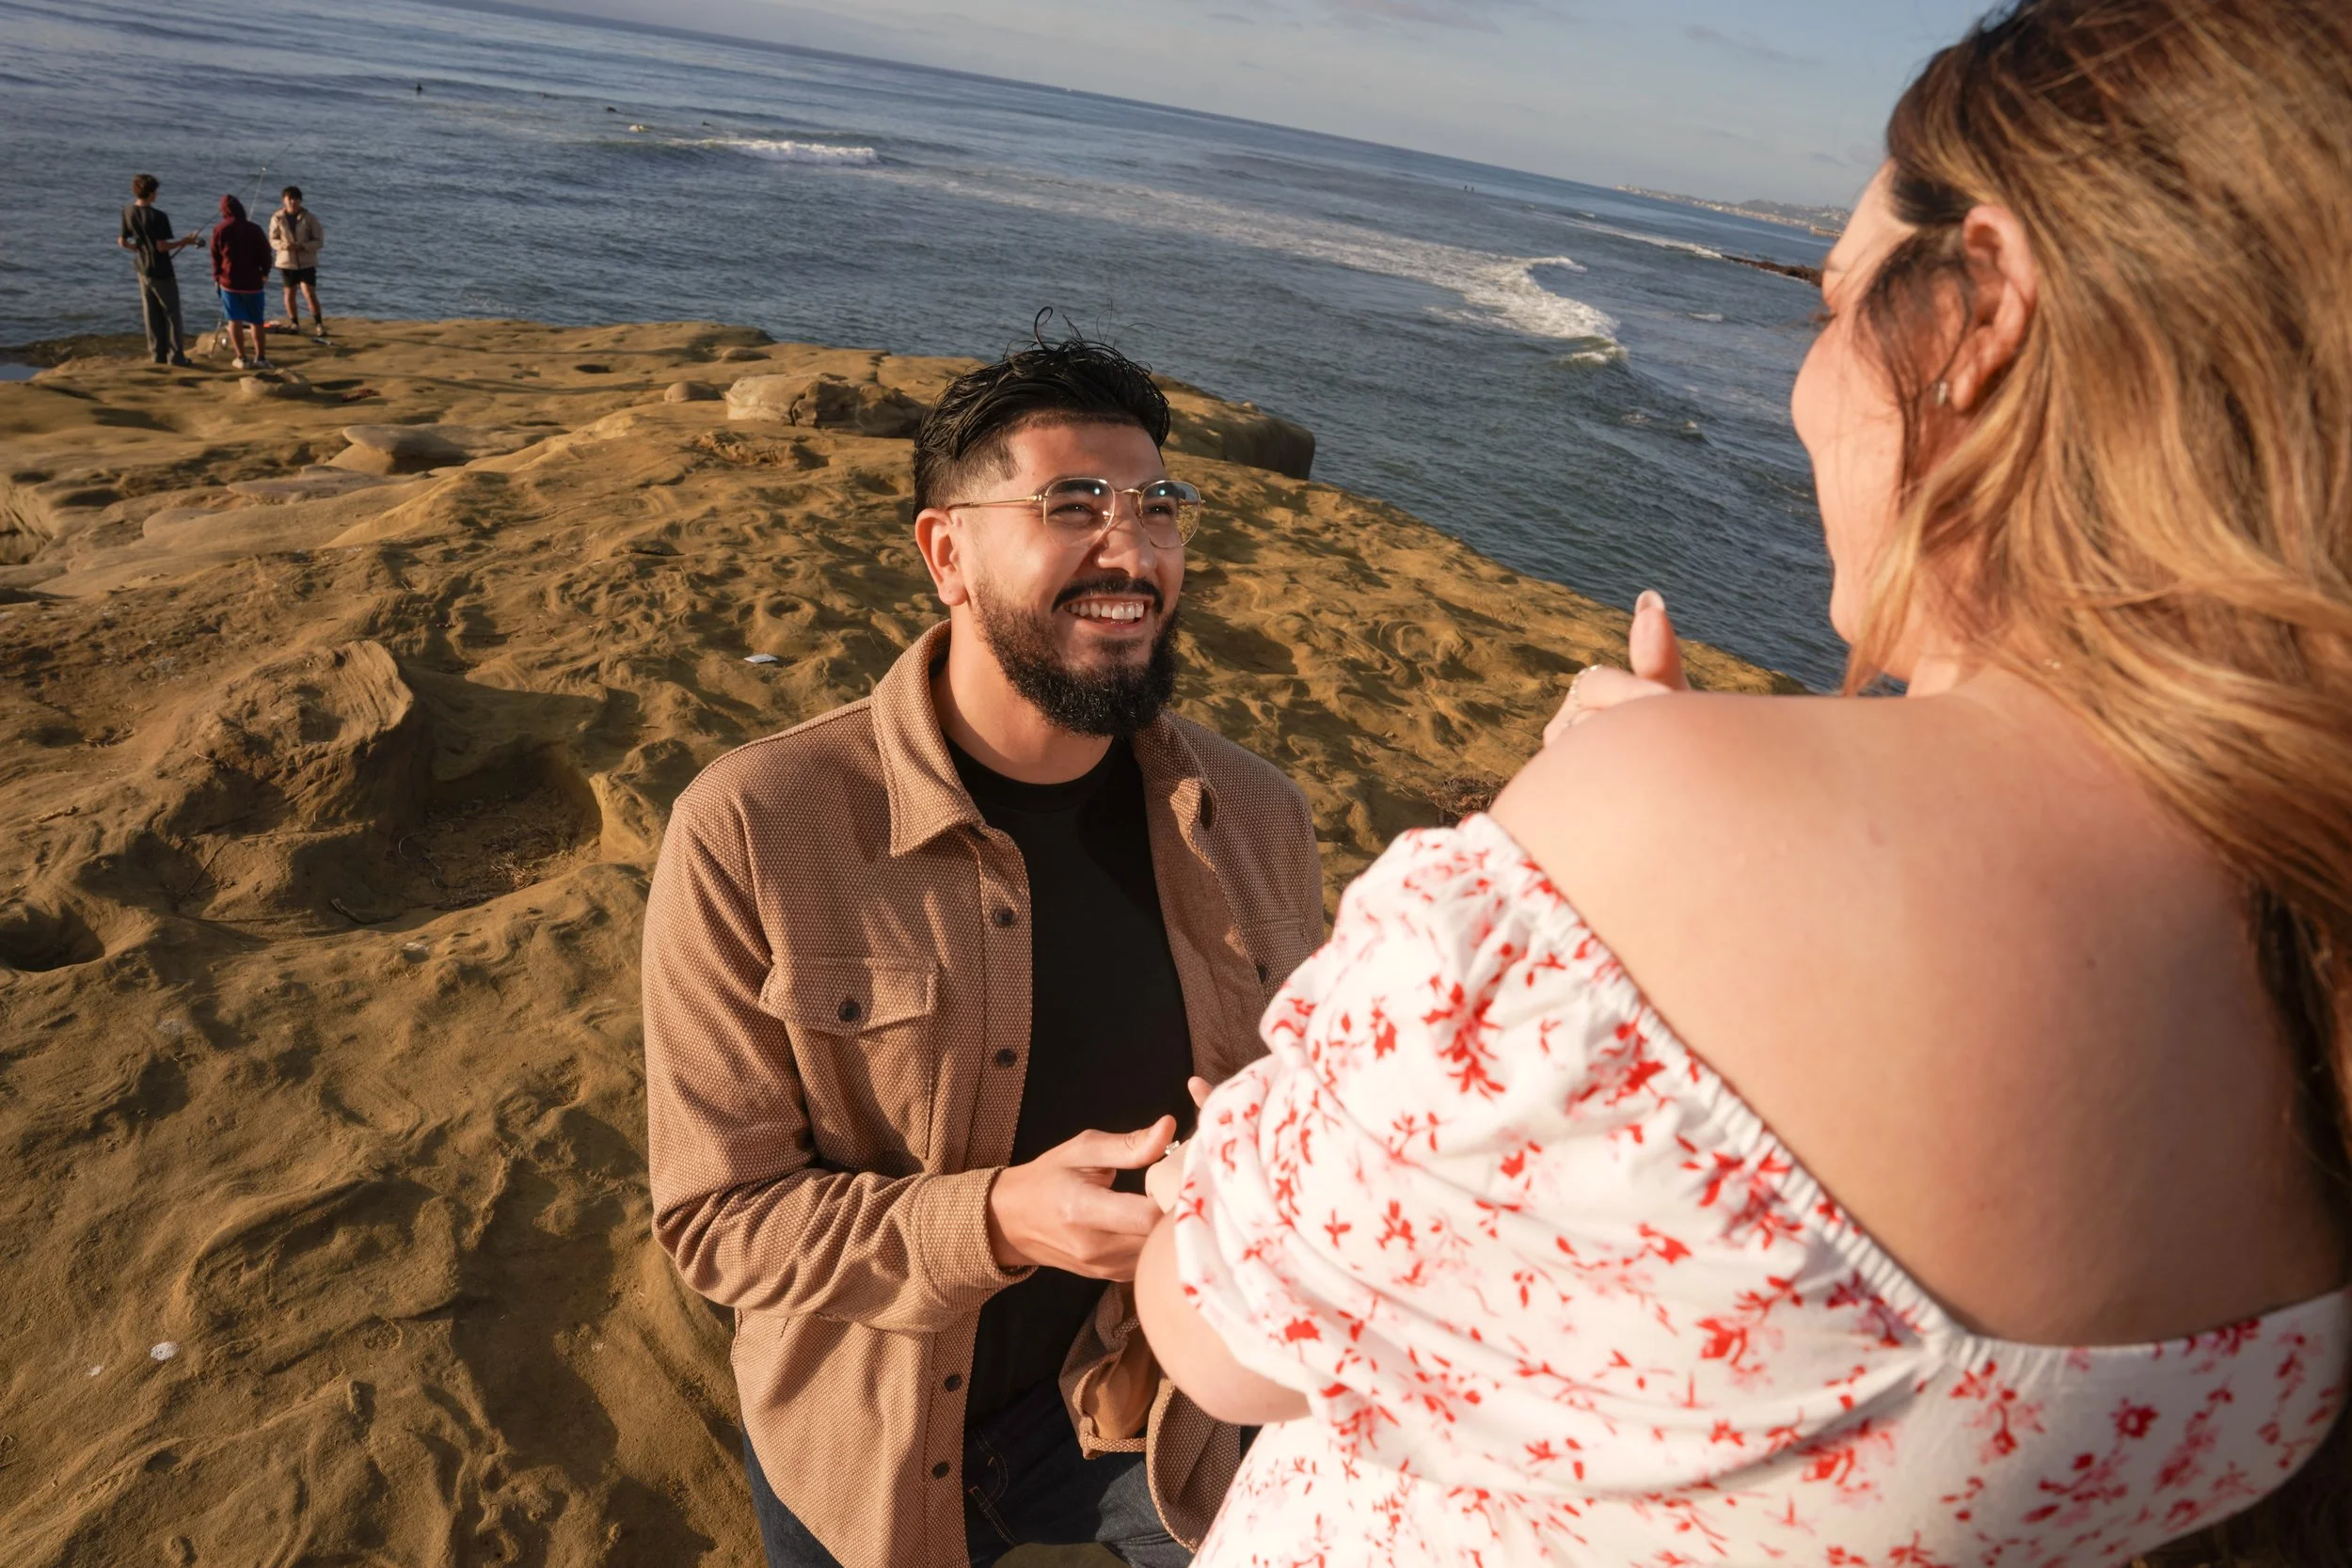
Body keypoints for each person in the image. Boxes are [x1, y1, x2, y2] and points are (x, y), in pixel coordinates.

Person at [1134, 0, 2352, 1563]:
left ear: (1983, 308)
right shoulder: (2300, 919)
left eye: (1830, 303)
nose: (1804, 383)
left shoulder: (1659, 834)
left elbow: (1217, 1332)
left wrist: (1613, 824)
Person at [643, 335, 1327, 1568]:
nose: (1132, 548)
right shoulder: (753, 825)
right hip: (868, 1417)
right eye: (1071, 505)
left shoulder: (1260, 815)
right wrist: (1000, 1219)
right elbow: (717, 1221)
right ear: (945, 551)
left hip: (1145, 1389)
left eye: (1159, 505)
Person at [116, 174, 196, 367]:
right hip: (161, 269)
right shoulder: (158, 216)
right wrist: (184, 242)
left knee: (151, 313)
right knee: (172, 313)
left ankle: (157, 355)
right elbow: (161, 247)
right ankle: (176, 357)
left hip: (142, 268)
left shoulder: (127, 211)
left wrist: (136, 248)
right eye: (155, 192)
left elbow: (122, 241)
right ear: (151, 193)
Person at [209, 195, 274, 371]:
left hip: (229, 282)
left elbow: (215, 256)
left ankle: (242, 358)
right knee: (257, 321)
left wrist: (216, 276)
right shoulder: (255, 229)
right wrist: (265, 273)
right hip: (253, 282)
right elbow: (266, 254)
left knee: (234, 320)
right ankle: (260, 357)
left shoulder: (219, 229)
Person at [267, 186, 325, 339]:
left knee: (309, 293)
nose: (292, 202)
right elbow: (273, 240)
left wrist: (303, 247)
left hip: (306, 262)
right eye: (289, 198)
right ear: (284, 200)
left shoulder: (309, 218)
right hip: (287, 261)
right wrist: (285, 246)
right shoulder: (277, 217)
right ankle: (295, 323)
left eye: (295, 199)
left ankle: (319, 324)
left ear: (300, 201)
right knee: (289, 293)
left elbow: (319, 241)